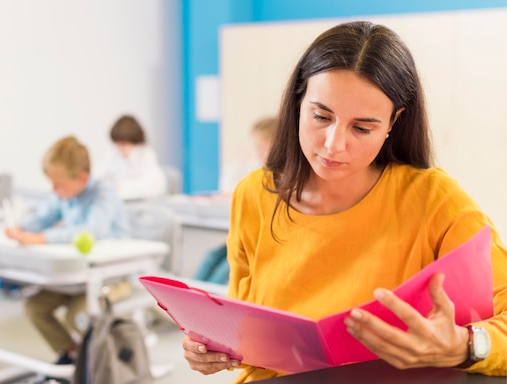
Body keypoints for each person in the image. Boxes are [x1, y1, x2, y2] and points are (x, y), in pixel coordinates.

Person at [182, 21, 506, 382]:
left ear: (393, 123)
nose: (334, 145)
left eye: (362, 128)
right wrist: (213, 349)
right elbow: (243, 330)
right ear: (297, 103)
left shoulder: (433, 200)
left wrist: (465, 345)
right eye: (321, 116)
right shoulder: (253, 194)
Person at [5, 136, 130, 367]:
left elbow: (91, 232)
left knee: (79, 314)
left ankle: (107, 364)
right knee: (35, 308)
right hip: (79, 277)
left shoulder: (104, 194)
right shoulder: (65, 194)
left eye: (58, 184)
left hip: (112, 276)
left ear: (81, 177)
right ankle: (74, 354)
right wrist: (20, 227)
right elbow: (44, 217)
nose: (53, 189)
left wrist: (43, 238)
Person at [194, 116, 277, 284]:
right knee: (211, 257)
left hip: (255, 248)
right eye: (257, 148)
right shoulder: (256, 176)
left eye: (262, 148)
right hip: (242, 242)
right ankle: (186, 299)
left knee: (225, 270)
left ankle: (205, 302)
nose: (258, 153)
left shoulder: (278, 181)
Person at [94, 115, 168, 200]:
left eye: (124, 144)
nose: (120, 148)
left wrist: (117, 188)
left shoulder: (146, 155)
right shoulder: (113, 154)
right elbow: (97, 176)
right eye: (117, 144)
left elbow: (156, 187)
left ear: (136, 141)